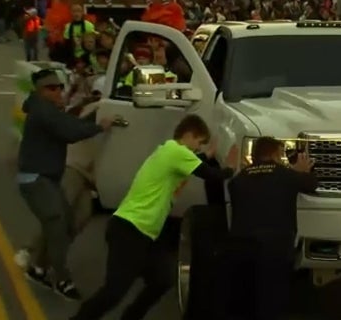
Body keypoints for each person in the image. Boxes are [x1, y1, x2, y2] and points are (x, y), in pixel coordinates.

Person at [71, 114, 238, 320]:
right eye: (199, 142)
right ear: (189, 134)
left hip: (144, 233)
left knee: (162, 279)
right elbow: (212, 175)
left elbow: (196, 164)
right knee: (113, 292)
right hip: (130, 229)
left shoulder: (169, 152)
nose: (198, 148)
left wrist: (207, 156)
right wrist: (230, 167)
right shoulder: (177, 152)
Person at [17, 69, 114, 300]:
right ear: (40, 91)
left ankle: (38, 267)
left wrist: (94, 113)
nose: (58, 91)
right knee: (57, 223)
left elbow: (71, 122)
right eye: (51, 88)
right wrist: (101, 125)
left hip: (48, 178)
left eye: (59, 87)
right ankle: (62, 280)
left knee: (72, 220)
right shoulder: (42, 111)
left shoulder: (51, 110)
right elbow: (70, 131)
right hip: (35, 178)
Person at [221, 136, 318, 320]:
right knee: (272, 299)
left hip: (242, 246)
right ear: (274, 154)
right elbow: (312, 184)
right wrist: (303, 171)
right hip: (276, 246)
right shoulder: (285, 175)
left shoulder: (238, 180)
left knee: (246, 298)